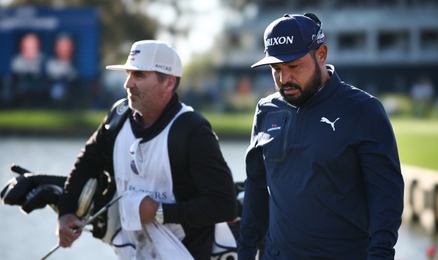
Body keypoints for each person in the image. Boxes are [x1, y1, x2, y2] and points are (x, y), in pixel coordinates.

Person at [237, 13, 404, 259]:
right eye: (276, 69)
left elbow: (386, 197)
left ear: (321, 54)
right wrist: (245, 250)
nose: (284, 79)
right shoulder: (266, 109)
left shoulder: (363, 109)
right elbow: (256, 187)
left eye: (293, 66)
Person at [57, 40, 237, 260]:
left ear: (169, 82)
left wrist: (159, 212)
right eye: (128, 74)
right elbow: (86, 164)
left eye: (139, 75)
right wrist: (65, 212)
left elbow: (224, 204)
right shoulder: (117, 116)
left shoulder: (192, 131)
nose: (128, 84)